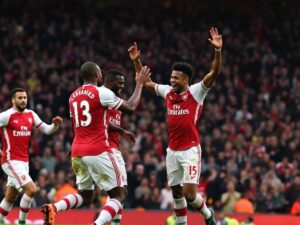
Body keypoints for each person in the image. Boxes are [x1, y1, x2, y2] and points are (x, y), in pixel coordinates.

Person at [128, 27, 222, 225]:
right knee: (177, 192)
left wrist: (217, 51)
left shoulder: (197, 92)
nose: (172, 80)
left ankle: (207, 214)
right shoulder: (168, 91)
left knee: (189, 193)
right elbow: (146, 82)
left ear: (186, 80)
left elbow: (213, 72)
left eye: (176, 78)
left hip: (190, 150)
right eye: (171, 77)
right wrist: (137, 61)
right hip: (173, 151)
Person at [41, 61, 150, 225]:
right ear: (97, 75)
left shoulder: (73, 96)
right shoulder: (101, 93)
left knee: (86, 196)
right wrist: (140, 84)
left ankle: (54, 208)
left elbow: (77, 125)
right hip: (98, 150)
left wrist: (119, 130)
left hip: (78, 151)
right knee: (119, 195)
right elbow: (131, 107)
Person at [0, 88, 63, 225]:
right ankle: (22, 222)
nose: (23, 100)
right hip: (10, 160)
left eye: (25, 98)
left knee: (11, 196)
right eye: (20, 98)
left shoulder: (31, 115)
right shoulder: (6, 116)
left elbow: (47, 130)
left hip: (24, 162)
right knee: (31, 189)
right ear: (13, 100)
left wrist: (55, 125)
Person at [105, 69, 136, 225]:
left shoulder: (115, 100)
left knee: (119, 193)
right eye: (120, 83)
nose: (122, 86)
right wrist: (140, 84)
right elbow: (100, 122)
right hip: (106, 149)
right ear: (110, 82)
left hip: (112, 148)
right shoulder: (103, 98)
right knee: (119, 193)